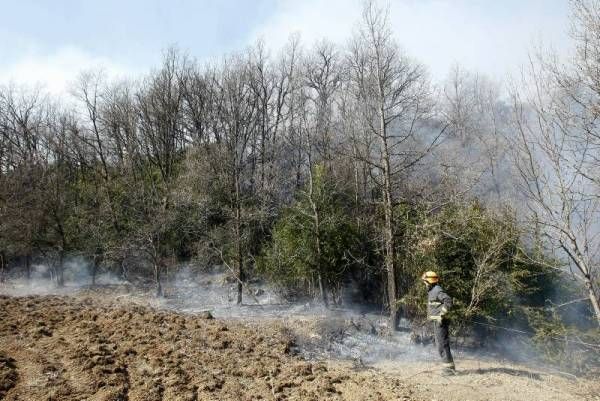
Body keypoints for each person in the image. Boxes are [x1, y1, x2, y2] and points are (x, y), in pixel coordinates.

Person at [421, 271, 455, 375]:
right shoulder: (432, 290)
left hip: (441, 322)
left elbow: (448, 301)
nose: (424, 284)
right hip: (437, 322)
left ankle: (449, 370)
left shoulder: (437, 290)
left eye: (425, 282)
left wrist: (442, 315)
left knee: (442, 345)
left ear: (429, 281)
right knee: (441, 344)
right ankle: (449, 368)